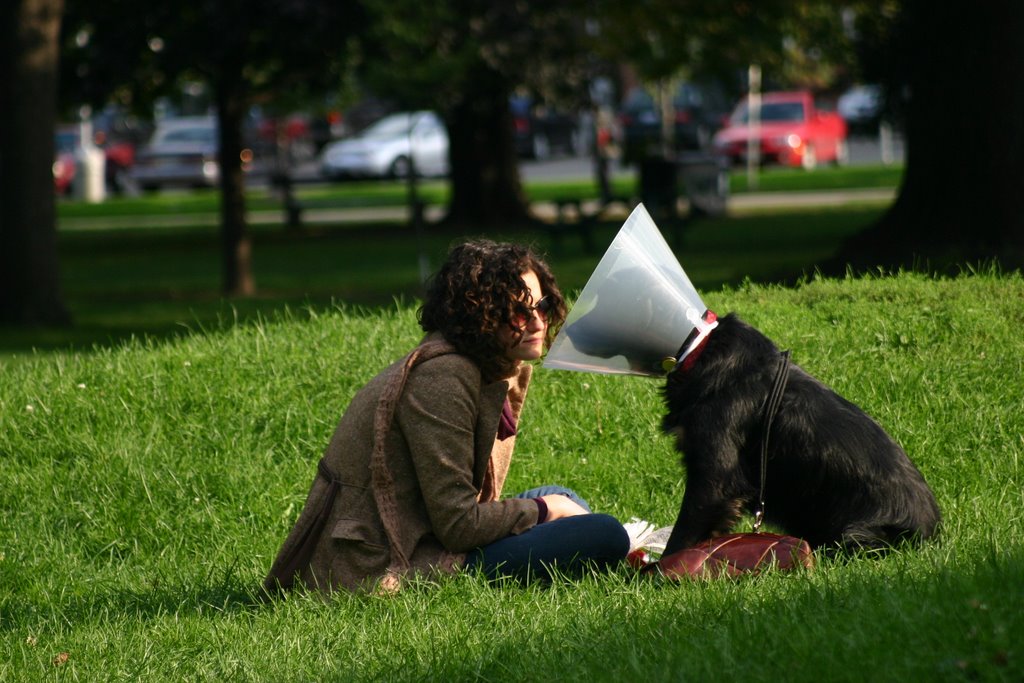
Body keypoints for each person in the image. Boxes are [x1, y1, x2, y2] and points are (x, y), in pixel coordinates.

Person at [263, 240, 629, 595]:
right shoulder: (443, 377)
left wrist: (545, 506)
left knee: (562, 496)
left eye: (543, 306)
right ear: (480, 315)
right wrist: (542, 510)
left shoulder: (483, 364)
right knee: (603, 533)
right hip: (379, 561)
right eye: (519, 312)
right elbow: (458, 525)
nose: (536, 322)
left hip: (424, 532)